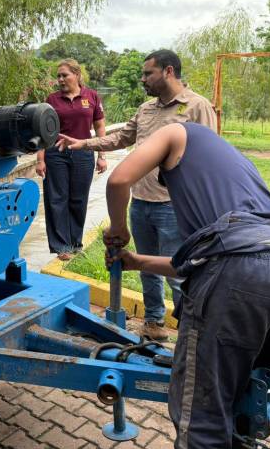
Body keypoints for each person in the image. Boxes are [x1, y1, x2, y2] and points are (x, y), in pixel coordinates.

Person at [104, 122, 270, 449]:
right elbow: (206, 263)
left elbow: (118, 179)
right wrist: (137, 261)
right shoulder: (233, 172)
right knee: (242, 399)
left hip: (239, 272)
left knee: (202, 415)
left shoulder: (176, 131)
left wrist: (119, 228)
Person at [57, 49, 216, 341]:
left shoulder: (197, 107)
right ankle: (154, 322)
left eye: (148, 74)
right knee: (146, 266)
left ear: (168, 71)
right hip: (140, 202)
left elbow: (210, 154)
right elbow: (121, 137)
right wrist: (84, 143)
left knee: (179, 273)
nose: (143, 79)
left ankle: (191, 334)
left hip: (174, 206)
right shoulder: (147, 109)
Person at [38, 58, 108, 261]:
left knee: (78, 199)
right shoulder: (52, 100)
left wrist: (101, 154)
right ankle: (62, 246)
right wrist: (40, 160)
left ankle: (76, 243)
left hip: (84, 153)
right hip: (56, 154)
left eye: (64, 75)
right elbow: (43, 131)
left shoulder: (92, 96)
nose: (60, 79)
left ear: (76, 75)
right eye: (58, 76)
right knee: (57, 199)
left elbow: (100, 127)